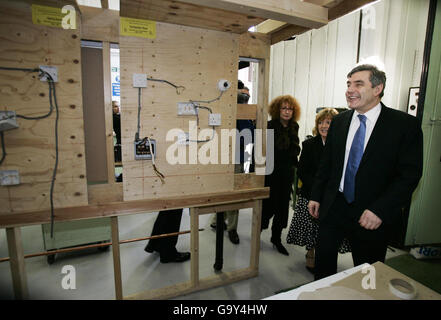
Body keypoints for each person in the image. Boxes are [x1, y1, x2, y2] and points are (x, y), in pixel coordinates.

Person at [308, 64, 423, 280]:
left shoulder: (404, 125)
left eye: (358, 84)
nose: (350, 90)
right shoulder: (340, 121)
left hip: (371, 212)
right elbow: (327, 163)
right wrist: (316, 194)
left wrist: (380, 210)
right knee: (323, 268)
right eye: (348, 84)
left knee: (368, 274)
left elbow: (409, 175)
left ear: (377, 88)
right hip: (334, 205)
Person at [286, 108, 351, 272]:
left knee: (329, 231)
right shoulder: (309, 144)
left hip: (334, 196)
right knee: (311, 229)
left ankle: (326, 256)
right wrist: (318, 187)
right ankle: (310, 253)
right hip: (311, 194)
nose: (324, 126)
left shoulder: (342, 146)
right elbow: (302, 170)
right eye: (321, 122)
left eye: (328, 122)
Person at [261, 95, 301, 256]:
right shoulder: (269, 126)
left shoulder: (294, 126)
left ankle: (276, 239)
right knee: (266, 208)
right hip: (270, 175)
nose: (287, 111)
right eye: (283, 108)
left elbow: (294, 151)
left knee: (282, 209)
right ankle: (258, 232)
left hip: (286, 175)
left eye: (290, 108)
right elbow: (262, 153)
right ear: (277, 110)